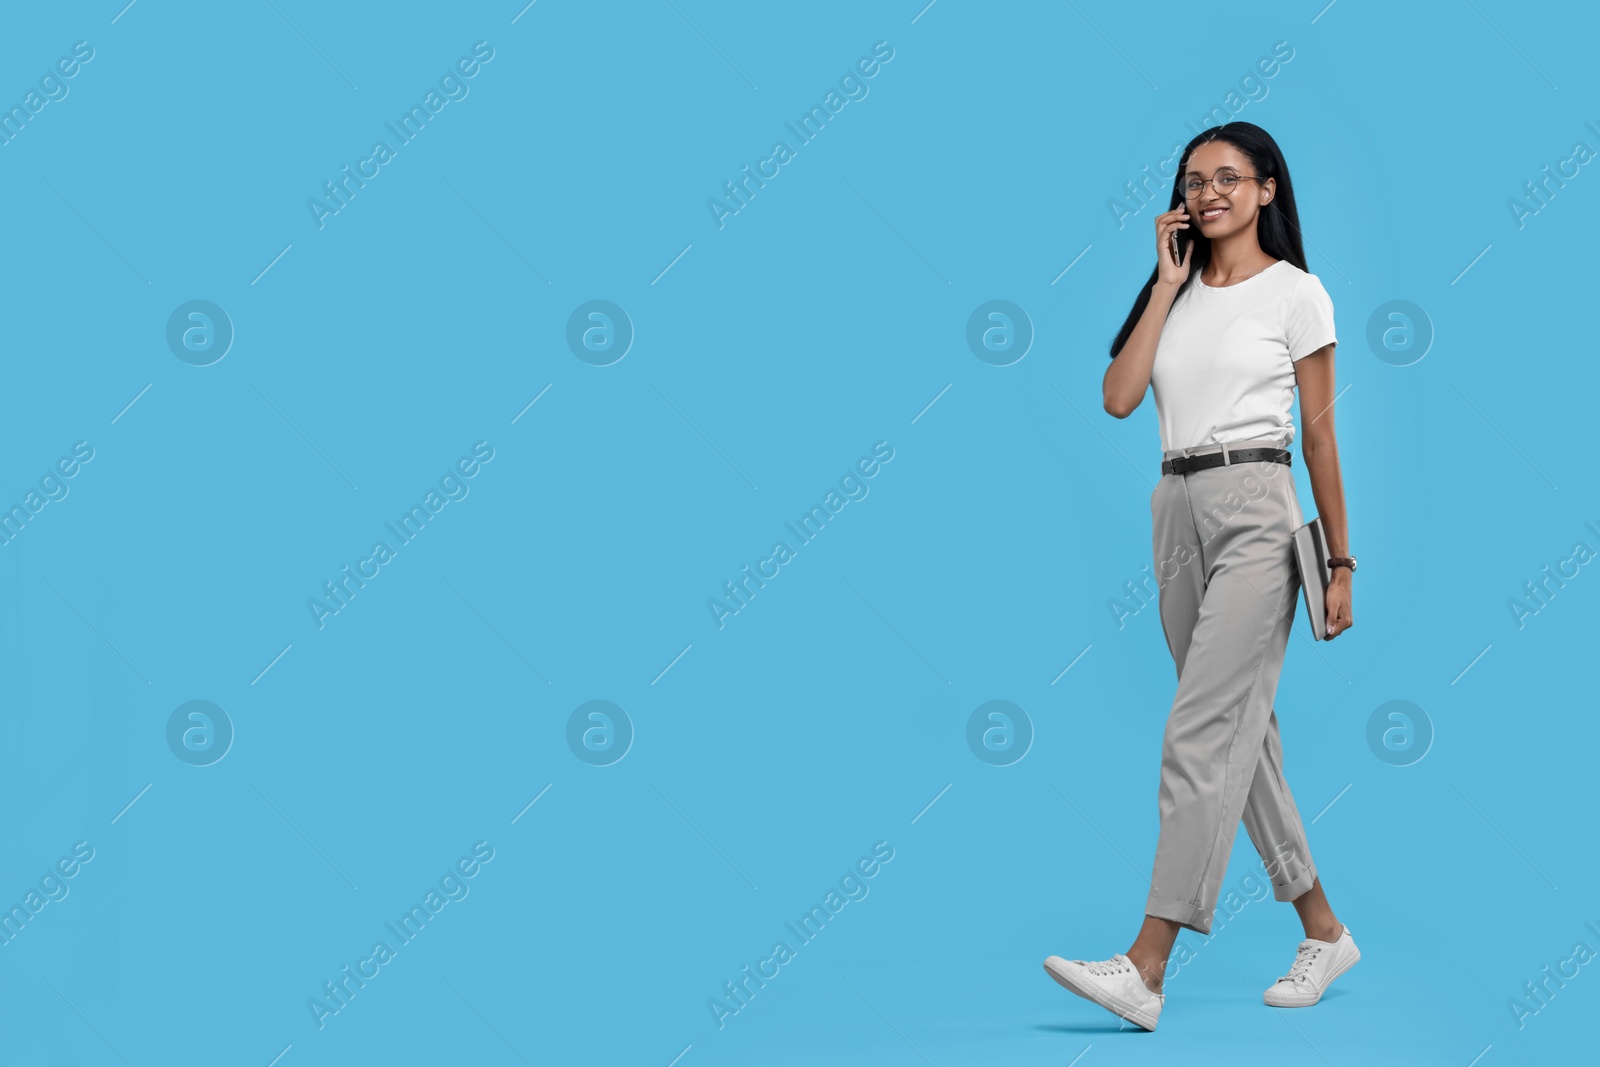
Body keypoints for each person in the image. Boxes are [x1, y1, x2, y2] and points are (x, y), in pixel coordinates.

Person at [1042, 122, 1360, 1031]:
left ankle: (1147, 963)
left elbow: (1323, 433)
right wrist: (1167, 284)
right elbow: (1117, 397)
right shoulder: (1173, 294)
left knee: (1199, 731)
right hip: (1174, 508)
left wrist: (1340, 560)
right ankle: (1324, 928)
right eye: (1194, 179)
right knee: (1239, 735)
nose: (1210, 191)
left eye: (1230, 177)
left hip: (1258, 502)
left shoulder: (1298, 294)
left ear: (1268, 190)